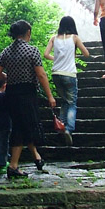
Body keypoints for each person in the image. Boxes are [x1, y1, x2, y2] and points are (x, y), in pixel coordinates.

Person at [0, 20, 56, 178]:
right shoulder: (32, 51)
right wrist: (49, 95)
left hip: (12, 93)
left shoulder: (6, 52)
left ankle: (36, 157)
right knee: (23, 126)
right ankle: (13, 166)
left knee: (21, 124)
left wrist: (9, 77)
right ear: (28, 32)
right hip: (27, 93)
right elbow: (41, 74)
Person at [44, 16, 90, 146]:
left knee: (64, 101)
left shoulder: (54, 38)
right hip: (69, 74)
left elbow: (46, 54)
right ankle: (69, 129)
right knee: (72, 103)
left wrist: (57, 59)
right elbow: (86, 53)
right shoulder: (74, 38)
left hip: (56, 74)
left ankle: (61, 126)